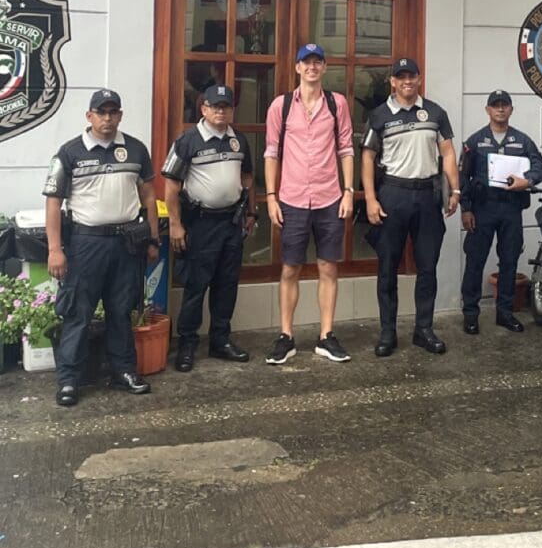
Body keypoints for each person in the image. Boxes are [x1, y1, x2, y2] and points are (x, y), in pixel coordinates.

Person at [43, 89, 160, 408]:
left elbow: (149, 196)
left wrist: (152, 238)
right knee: (78, 312)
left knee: (121, 311)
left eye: (113, 112)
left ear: (120, 115)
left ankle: (124, 371)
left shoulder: (136, 149)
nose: (107, 118)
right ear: (89, 116)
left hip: (126, 243)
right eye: (101, 112)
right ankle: (68, 379)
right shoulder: (69, 152)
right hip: (86, 243)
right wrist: (55, 248)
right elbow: (53, 202)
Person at [361, 57, 460, 357]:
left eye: (411, 76)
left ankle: (424, 330)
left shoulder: (435, 112)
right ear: (392, 81)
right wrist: (369, 198)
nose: (407, 81)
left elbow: (448, 152)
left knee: (427, 267)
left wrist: (455, 189)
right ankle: (388, 332)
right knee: (387, 268)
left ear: (419, 79)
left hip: (427, 195)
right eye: (400, 76)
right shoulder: (379, 115)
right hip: (393, 193)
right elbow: (367, 157)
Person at [263, 43, 355, 364]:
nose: (312, 67)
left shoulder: (337, 103)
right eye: (307, 62)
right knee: (290, 268)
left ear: (325, 68)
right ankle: (286, 336)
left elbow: (345, 148)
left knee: (328, 267)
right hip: (292, 198)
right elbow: (271, 152)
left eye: (318, 62)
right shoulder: (281, 106)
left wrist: (348, 191)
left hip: (330, 198)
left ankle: (326, 336)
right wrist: (271, 197)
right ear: (298, 67)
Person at [162, 84, 257, 372]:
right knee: (195, 286)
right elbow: (171, 187)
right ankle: (187, 344)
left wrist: (251, 212)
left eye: (226, 106)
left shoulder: (238, 140)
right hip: (200, 224)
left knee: (226, 285)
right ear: (203, 109)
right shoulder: (187, 141)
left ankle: (220, 340)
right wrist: (176, 225)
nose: (220, 111)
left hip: (230, 223)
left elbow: (248, 176)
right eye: (215, 106)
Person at [459, 89, 542, 334]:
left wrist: (527, 181)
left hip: (510, 209)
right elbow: (463, 176)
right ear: (487, 110)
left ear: (511, 109)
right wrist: (466, 209)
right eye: (495, 105)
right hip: (482, 208)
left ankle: (505, 313)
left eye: (504, 105)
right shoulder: (475, 141)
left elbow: (540, 166)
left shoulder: (522, 140)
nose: (500, 109)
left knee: (509, 261)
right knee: (475, 262)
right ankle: (471, 314)